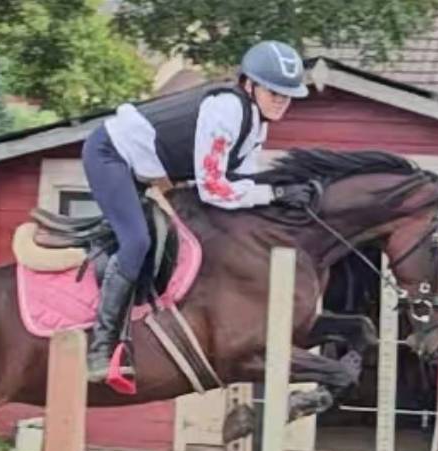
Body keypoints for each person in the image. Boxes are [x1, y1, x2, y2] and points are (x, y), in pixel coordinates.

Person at [81, 40, 319, 382]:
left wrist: (279, 195)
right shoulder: (227, 112)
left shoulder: (256, 124)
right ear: (249, 84)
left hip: (150, 169)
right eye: (274, 92)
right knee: (136, 242)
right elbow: (216, 189)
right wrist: (276, 191)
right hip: (111, 156)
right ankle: (101, 350)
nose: (282, 101)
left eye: (287, 95)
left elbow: (243, 181)